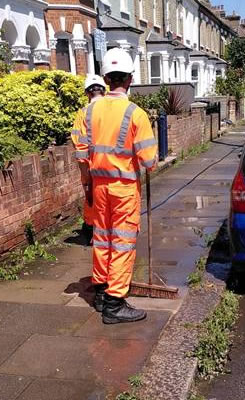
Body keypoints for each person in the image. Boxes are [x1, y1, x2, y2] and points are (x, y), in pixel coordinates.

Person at [74, 47, 158, 324]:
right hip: (123, 189)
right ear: (130, 79)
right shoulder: (136, 114)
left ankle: (100, 291)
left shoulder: (89, 111)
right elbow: (149, 161)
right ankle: (114, 303)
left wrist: (87, 185)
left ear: (107, 78)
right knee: (122, 243)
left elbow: (81, 153)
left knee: (102, 239)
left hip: (99, 187)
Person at [72, 75, 106, 245]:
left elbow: (80, 148)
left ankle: (95, 235)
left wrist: (85, 178)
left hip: (93, 169)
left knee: (94, 202)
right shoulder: (116, 110)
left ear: (87, 93)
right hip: (118, 170)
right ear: (104, 91)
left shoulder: (83, 114)